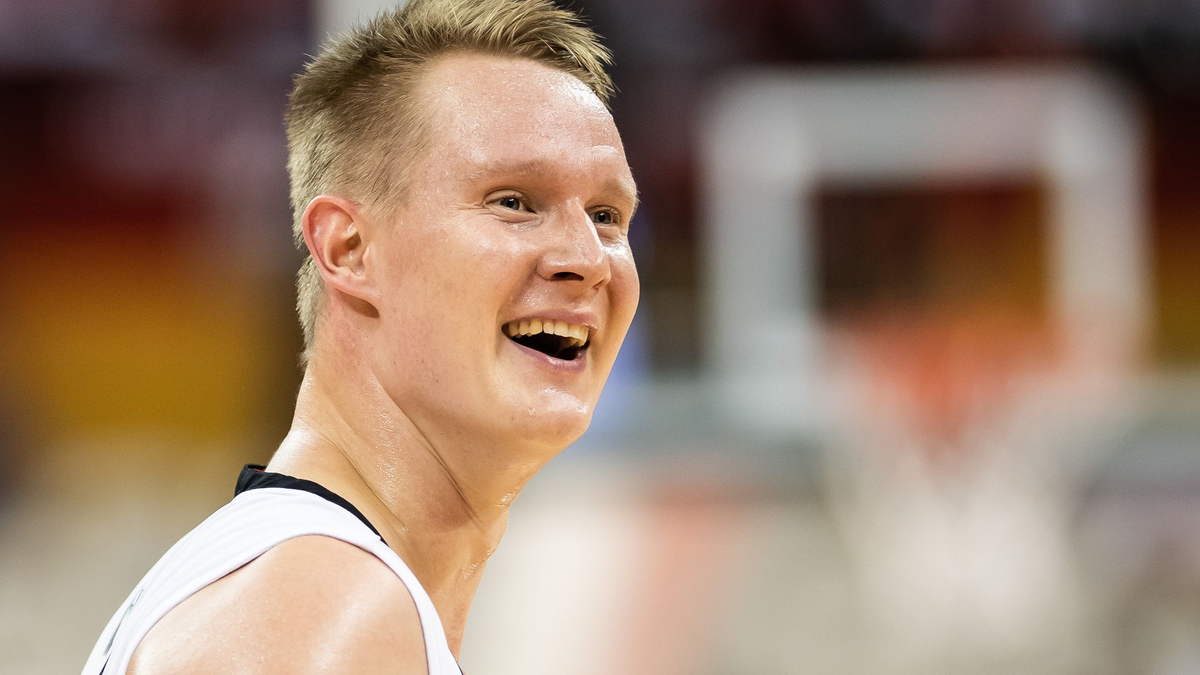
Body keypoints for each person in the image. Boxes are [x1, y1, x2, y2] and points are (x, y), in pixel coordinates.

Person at [80, 0, 639, 672]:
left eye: (607, 215)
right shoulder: (321, 615)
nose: (587, 257)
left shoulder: (312, 586)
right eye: (514, 201)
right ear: (348, 249)